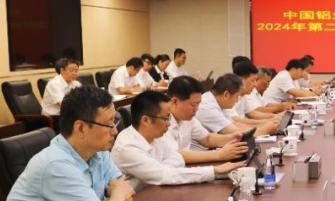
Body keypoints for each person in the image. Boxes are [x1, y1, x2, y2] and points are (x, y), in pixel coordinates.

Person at [1, 86, 135, 201]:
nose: (115, 131)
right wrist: (118, 193)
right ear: (80, 128)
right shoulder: (56, 164)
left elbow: (129, 197)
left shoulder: (99, 152)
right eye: (109, 124)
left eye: (115, 122)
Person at [112, 91, 244, 190]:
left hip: (157, 191)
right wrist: (214, 170)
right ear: (146, 120)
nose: (169, 123)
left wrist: (163, 170)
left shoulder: (156, 135)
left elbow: (177, 159)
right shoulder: (127, 147)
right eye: (165, 118)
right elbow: (164, 175)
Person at [166, 76, 247, 163]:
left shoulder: (187, 118)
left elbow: (207, 138)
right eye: (193, 105)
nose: (197, 109)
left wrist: (232, 138)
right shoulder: (162, 121)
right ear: (175, 102)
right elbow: (175, 154)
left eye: (198, 104)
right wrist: (219, 155)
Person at [197, 74, 276, 136]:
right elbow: (234, 132)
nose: (237, 100)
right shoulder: (208, 107)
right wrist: (264, 130)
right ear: (226, 95)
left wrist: (263, 126)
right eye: (237, 96)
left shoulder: (218, 102)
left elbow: (234, 124)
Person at [41, 58, 81, 125]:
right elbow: (64, 105)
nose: (74, 73)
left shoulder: (76, 83)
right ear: (62, 70)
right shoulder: (54, 84)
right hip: (52, 118)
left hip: (67, 115)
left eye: (76, 71)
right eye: (71, 70)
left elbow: (83, 100)